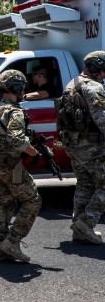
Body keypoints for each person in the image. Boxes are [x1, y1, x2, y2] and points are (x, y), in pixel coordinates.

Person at [0, 69, 42, 262]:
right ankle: (12, 241)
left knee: (5, 203)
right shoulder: (13, 110)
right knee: (33, 200)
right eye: (21, 87)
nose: (23, 91)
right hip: (12, 166)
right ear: (15, 87)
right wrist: (34, 152)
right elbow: (16, 139)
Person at [62, 51, 105, 244]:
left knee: (85, 185)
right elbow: (102, 120)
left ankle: (79, 228)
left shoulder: (72, 84)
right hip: (91, 145)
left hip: (74, 144)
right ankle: (86, 224)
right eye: (103, 70)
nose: (104, 75)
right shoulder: (93, 88)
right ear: (96, 67)